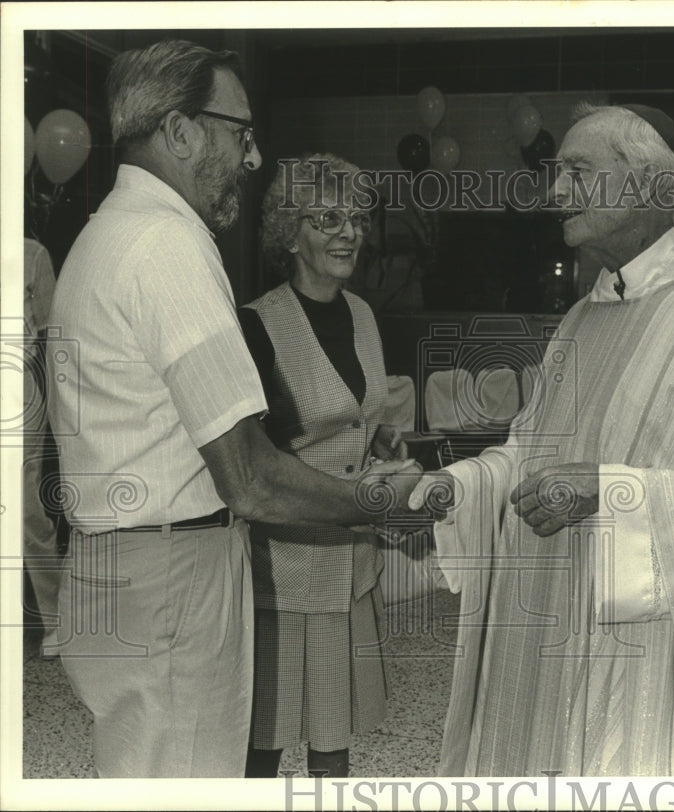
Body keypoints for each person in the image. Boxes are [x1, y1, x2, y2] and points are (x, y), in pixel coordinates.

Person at [45, 40, 419, 778]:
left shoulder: (106, 233)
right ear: (180, 131)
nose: (251, 159)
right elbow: (250, 478)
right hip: (172, 575)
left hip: (117, 560)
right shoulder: (167, 246)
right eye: (240, 134)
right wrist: (378, 500)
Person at [407, 103, 674, 776]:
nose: (555, 191)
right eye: (557, 173)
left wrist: (613, 491)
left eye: (578, 171)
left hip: (646, 659)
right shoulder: (580, 321)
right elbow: (528, 453)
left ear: (652, 184)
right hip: (545, 640)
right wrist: (454, 486)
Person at [239, 154, 405, 778]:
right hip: (284, 566)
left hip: (352, 556)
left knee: (335, 734)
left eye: (357, 218)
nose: (348, 232)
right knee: (267, 735)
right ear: (291, 230)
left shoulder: (362, 314)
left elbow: (363, 422)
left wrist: (386, 453)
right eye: (327, 217)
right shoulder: (257, 323)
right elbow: (251, 460)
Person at [22, 238, 61, 653]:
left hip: (17, 387)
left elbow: (52, 338)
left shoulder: (34, 254)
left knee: (26, 509)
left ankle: (55, 621)